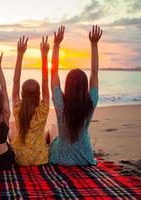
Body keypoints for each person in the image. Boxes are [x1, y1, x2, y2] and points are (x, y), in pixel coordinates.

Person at [48, 25, 103, 166]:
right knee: (57, 131)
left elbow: (53, 72)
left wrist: (56, 45)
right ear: (85, 86)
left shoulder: (60, 103)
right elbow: (95, 72)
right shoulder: (91, 102)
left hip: (60, 157)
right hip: (84, 156)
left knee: (52, 129)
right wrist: (94, 44)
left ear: (67, 85)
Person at [9, 36, 50, 166]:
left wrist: (20, 55)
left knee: (11, 125)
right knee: (43, 132)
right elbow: (45, 81)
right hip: (40, 159)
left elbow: (15, 81)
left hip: (20, 158)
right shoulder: (43, 109)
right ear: (39, 95)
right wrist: (44, 56)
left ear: (22, 94)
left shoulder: (17, 108)